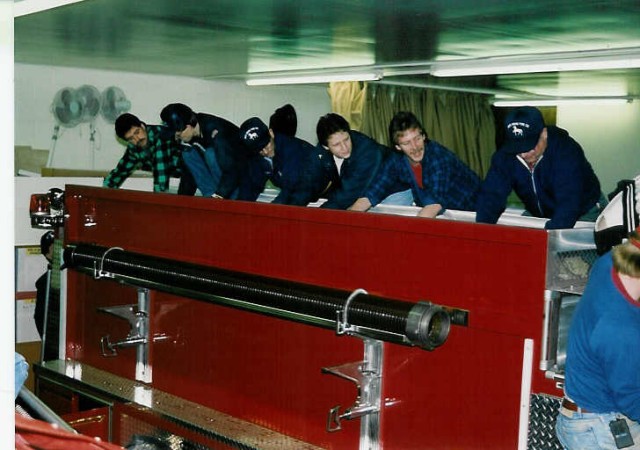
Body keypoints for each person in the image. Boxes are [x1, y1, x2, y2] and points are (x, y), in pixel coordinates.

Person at [556, 229, 640, 449]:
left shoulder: (608, 264)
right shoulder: (619, 328)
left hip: (584, 415)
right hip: (600, 429)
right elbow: (632, 400)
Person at [476, 106, 604, 229]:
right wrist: (481, 232)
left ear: (544, 134)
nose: (524, 154)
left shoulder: (566, 151)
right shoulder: (504, 157)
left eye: (530, 146)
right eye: (518, 147)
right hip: (540, 215)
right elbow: (491, 196)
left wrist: (548, 239)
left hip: (585, 213)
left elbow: (568, 202)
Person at [349, 111, 481, 217]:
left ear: (424, 136)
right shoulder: (396, 161)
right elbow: (372, 193)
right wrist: (348, 220)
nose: (415, 147)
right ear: (398, 147)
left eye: (417, 138)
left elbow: (433, 205)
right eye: (407, 143)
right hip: (450, 213)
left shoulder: (438, 158)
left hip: (479, 211)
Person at [301, 113, 390, 210]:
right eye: (337, 144)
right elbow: (306, 185)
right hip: (360, 191)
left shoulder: (367, 150)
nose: (345, 147)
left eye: (346, 139)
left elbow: (347, 194)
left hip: (392, 189)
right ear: (325, 147)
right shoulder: (320, 153)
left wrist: (318, 215)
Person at [160, 103, 247, 199]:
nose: (177, 138)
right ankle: (210, 198)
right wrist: (181, 202)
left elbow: (232, 170)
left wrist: (219, 195)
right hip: (224, 180)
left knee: (210, 154)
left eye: (178, 135)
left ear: (188, 126)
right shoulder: (190, 136)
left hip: (240, 178)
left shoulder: (215, 132)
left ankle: (222, 199)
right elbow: (188, 175)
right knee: (187, 154)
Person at [104, 113, 196, 195]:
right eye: (131, 138)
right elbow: (119, 173)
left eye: (137, 132)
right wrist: (103, 194)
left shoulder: (161, 136)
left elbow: (161, 180)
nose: (137, 139)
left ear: (142, 126)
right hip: (179, 177)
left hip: (196, 172)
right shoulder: (134, 148)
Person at [238, 116, 314, 204]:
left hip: (321, 193)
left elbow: (291, 189)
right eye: (260, 150)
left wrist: (273, 210)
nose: (265, 152)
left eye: (267, 145)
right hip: (298, 194)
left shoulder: (292, 150)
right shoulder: (257, 156)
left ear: (271, 133)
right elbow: (251, 187)